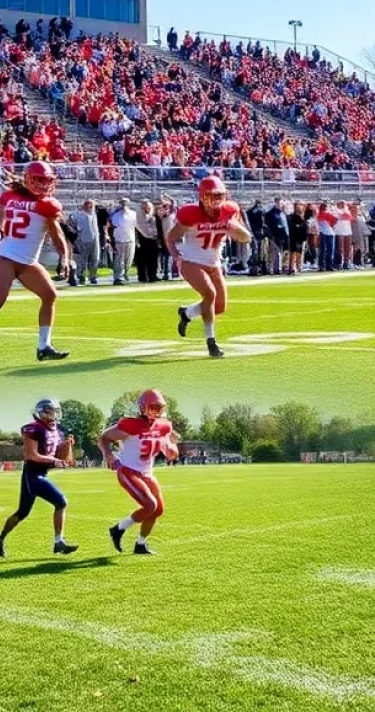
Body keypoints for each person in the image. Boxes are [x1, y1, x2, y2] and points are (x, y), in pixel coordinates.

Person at [0, 161, 70, 373]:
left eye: (46, 180)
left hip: (26, 261)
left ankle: (44, 346)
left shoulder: (11, 197)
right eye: (39, 180)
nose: (44, 184)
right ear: (28, 179)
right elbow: (56, 235)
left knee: (49, 295)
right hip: (7, 258)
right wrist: (65, 256)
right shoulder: (46, 204)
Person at [166, 175, 251, 358]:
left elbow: (245, 236)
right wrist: (177, 257)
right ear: (202, 197)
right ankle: (211, 342)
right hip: (192, 260)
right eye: (211, 195)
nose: (216, 199)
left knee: (219, 307)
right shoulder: (190, 213)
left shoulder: (230, 210)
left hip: (214, 262)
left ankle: (187, 313)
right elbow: (170, 238)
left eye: (219, 195)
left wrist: (236, 229)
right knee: (210, 294)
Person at [0, 398, 77, 558]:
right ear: (43, 412)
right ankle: (59, 542)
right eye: (51, 411)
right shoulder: (34, 428)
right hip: (33, 474)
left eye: (55, 410)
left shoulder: (57, 430)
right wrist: (56, 460)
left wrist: (67, 447)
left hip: (40, 473)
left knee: (22, 512)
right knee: (61, 502)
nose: (54, 414)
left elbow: (59, 455)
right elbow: (32, 455)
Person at [100, 389, 178, 556]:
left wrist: (172, 450)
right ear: (143, 408)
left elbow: (170, 445)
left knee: (157, 510)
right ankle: (118, 529)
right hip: (128, 470)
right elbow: (104, 437)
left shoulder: (164, 425)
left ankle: (140, 544)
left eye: (159, 407)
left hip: (147, 472)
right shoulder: (131, 424)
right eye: (152, 407)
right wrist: (108, 455)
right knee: (150, 505)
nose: (156, 411)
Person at [70, 198, 100, 285]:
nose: (90, 207)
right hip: (83, 239)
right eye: (88, 205)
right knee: (82, 260)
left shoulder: (93, 214)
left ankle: (93, 276)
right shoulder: (78, 214)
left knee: (95, 258)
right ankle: (81, 276)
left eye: (92, 205)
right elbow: (71, 224)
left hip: (95, 239)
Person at [110, 197, 138, 285]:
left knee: (129, 259)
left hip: (130, 239)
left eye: (125, 203)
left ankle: (125, 273)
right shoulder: (116, 215)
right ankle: (118, 277)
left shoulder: (133, 214)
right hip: (119, 239)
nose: (124, 204)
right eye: (122, 203)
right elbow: (113, 226)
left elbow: (136, 226)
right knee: (119, 260)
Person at [135, 200, 160, 283]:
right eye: (145, 206)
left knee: (153, 259)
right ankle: (142, 277)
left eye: (149, 206)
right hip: (142, 239)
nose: (147, 208)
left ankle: (153, 276)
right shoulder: (138, 216)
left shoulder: (153, 216)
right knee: (142, 260)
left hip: (153, 239)